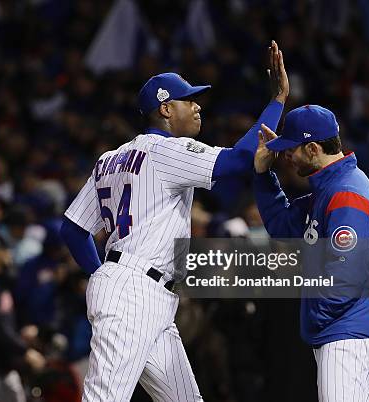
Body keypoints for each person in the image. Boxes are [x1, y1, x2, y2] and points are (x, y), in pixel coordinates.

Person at [60, 41, 289, 401]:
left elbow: (73, 230)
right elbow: (241, 159)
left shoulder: (110, 158)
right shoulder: (166, 150)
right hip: (135, 289)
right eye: (189, 100)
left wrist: (101, 273)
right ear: (165, 109)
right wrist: (276, 101)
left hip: (146, 292)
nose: (198, 107)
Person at [253, 105, 369, 402]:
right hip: (344, 329)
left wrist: (316, 316)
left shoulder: (346, 194)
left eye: (292, 149)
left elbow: (345, 281)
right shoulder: (328, 188)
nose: (287, 156)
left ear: (314, 148)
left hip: (348, 332)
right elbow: (283, 226)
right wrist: (263, 175)